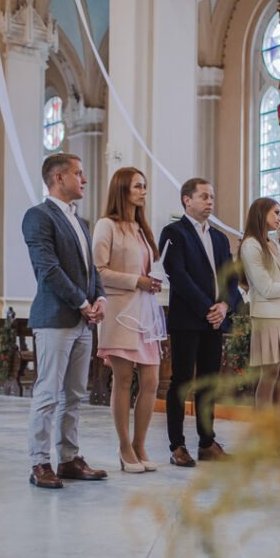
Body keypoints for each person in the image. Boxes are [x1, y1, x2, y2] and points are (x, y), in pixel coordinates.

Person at [23, 153, 108, 489]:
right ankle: (39, 462)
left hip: (83, 321)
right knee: (48, 393)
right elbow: (48, 269)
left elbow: (91, 270)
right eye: (78, 173)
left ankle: (69, 458)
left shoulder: (80, 221)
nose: (84, 179)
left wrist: (99, 298)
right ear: (58, 178)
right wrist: (83, 302)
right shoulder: (38, 216)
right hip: (55, 318)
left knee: (74, 395)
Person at [158, 177, 240, 467]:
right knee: (181, 382)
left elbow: (231, 278)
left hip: (215, 321)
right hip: (187, 319)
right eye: (204, 196)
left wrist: (225, 305)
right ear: (187, 200)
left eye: (212, 197)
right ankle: (177, 446)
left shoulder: (219, 238)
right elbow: (177, 275)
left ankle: (207, 442)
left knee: (208, 383)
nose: (210, 202)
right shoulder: (173, 232)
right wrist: (208, 308)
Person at [92, 168, 165, 473]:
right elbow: (99, 271)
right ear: (122, 189)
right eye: (137, 186)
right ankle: (124, 447)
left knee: (151, 381)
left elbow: (146, 269)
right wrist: (137, 281)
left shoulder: (142, 228)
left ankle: (140, 444)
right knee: (123, 380)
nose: (143, 191)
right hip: (120, 310)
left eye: (144, 186)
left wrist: (153, 280)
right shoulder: (106, 225)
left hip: (145, 312)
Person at [239, 198, 280, 419]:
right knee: (269, 377)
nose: (279, 217)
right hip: (268, 317)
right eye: (275, 213)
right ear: (261, 213)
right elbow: (266, 288)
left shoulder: (272, 244)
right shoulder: (251, 245)